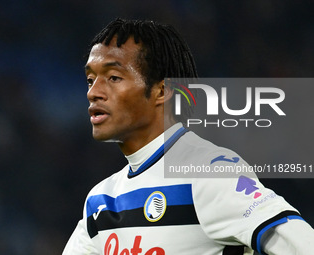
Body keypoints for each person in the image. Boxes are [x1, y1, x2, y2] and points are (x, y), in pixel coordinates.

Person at [63, 18, 314, 255]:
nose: (93, 92)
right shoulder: (100, 201)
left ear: (162, 90)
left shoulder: (209, 173)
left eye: (113, 78)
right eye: (90, 80)